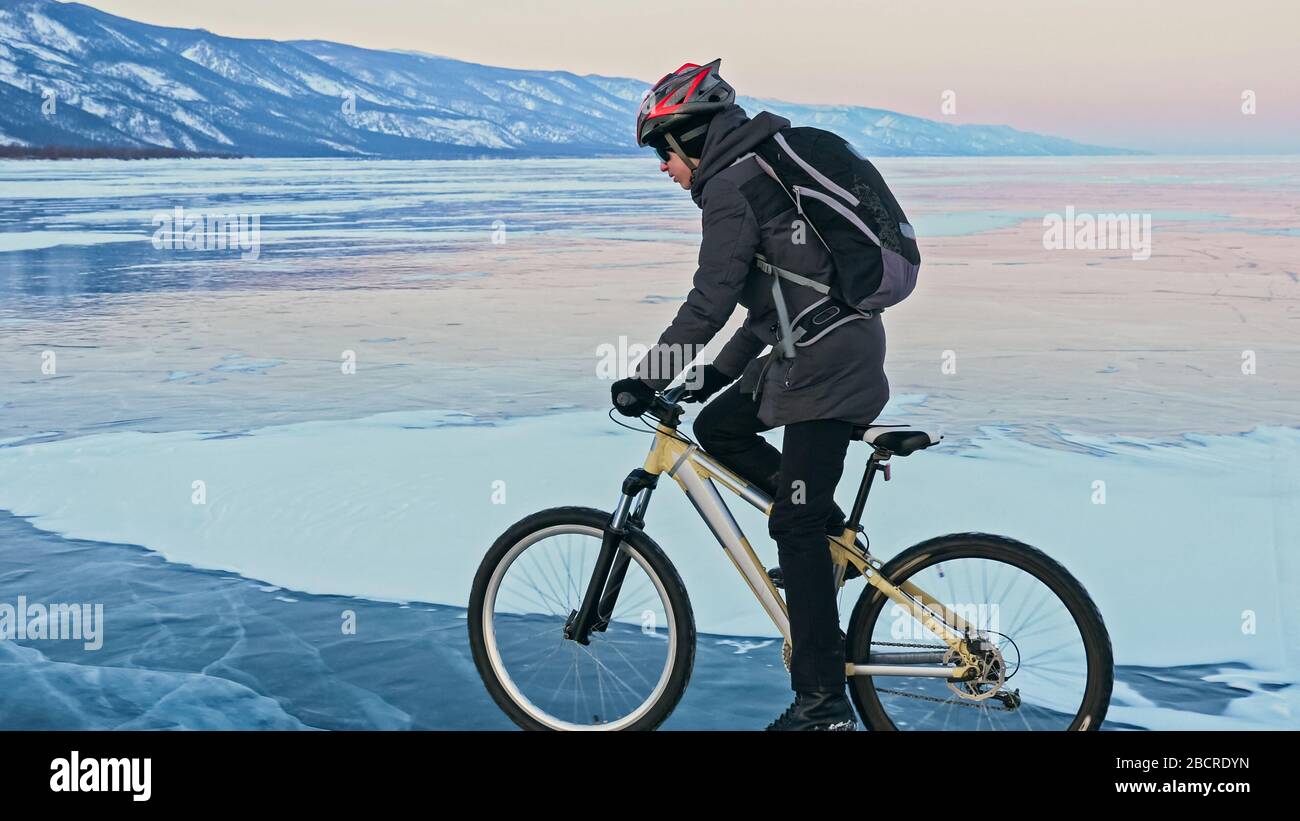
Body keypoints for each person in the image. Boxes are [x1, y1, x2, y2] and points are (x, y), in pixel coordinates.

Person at [610, 60, 890, 731]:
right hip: (823, 351)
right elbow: (767, 311)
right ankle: (824, 538)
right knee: (720, 426)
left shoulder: (733, 184)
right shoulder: (757, 171)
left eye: (662, 152)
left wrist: (647, 375)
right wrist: (707, 377)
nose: (663, 169)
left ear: (691, 139)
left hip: (826, 367)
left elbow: (707, 303)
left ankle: (822, 704)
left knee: (791, 523)